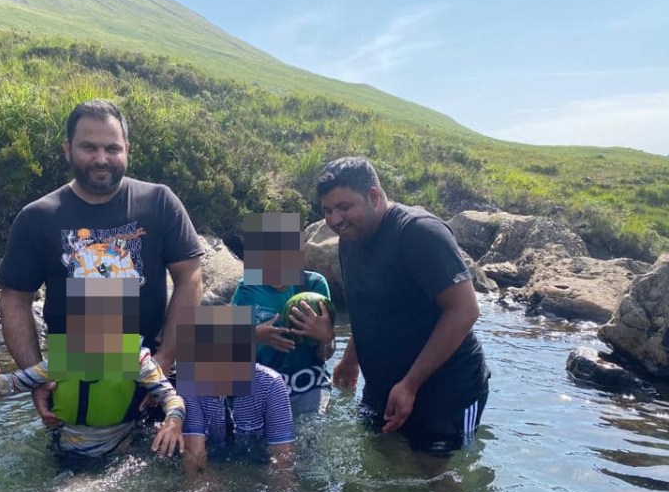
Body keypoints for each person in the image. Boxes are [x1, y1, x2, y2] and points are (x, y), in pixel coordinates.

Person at [0, 99, 203, 429]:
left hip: (148, 373)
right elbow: (15, 299)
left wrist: (166, 358)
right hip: (74, 382)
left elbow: (189, 278)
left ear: (127, 149)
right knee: (73, 474)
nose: (101, 159)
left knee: (161, 470)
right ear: (67, 149)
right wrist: (35, 376)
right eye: (89, 147)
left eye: (112, 148)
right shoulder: (38, 216)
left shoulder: (160, 202)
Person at [317, 157, 490, 454]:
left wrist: (410, 384)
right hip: (386, 387)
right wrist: (351, 358)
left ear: (374, 196)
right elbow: (369, 307)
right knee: (381, 465)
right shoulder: (350, 239)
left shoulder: (419, 233)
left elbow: (465, 310)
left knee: (439, 480)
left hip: (446, 390)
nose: (335, 220)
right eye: (327, 211)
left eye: (344, 207)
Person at [0, 277, 185, 460]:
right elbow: (17, 381)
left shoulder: (137, 361)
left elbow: (171, 397)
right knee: (76, 490)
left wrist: (173, 422)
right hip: (70, 451)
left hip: (122, 449)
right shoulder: (65, 361)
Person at [230, 212, 334, 416]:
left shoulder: (314, 285)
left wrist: (325, 336)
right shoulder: (247, 287)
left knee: (308, 439)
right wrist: (254, 335)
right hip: (262, 384)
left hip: (308, 383)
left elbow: (326, 353)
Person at [176, 305, 295, 472]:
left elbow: (282, 458)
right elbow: (195, 458)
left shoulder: (271, 385)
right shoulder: (191, 385)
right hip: (216, 457)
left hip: (258, 459)